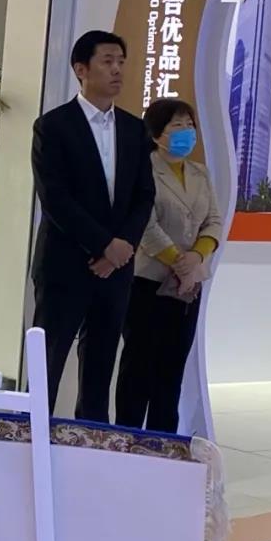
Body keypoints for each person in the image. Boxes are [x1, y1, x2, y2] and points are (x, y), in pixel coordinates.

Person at [31, 30, 155, 422]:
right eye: (107, 61)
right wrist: (104, 245)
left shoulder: (134, 129)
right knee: (48, 360)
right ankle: (33, 438)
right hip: (65, 263)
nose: (117, 70)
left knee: (100, 365)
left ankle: (91, 440)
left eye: (121, 61)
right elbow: (56, 198)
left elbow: (144, 196)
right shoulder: (53, 126)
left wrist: (122, 247)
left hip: (116, 269)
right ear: (81, 69)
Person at [115, 100, 222, 433]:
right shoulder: (143, 169)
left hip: (187, 288)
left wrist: (197, 257)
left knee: (172, 370)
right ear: (156, 134)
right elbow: (145, 227)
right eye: (177, 126)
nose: (186, 132)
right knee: (139, 367)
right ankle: (129, 439)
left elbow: (213, 221)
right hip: (148, 282)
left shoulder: (200, 173)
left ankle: (164, 442)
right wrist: (179, 261)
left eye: (189, 125)